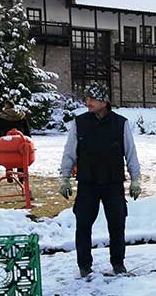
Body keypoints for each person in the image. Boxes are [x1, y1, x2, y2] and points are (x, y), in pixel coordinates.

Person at [59, 82, 141, 278]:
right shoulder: (79, 123)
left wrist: (135, 179)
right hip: (88, 182)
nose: (87, 102)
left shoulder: (121, 123)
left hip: (113, 183)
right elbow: (69, 152)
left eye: (92, 99)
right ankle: (84, 265)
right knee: (83, 224)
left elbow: (131, 153)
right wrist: (64, 177)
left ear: (104, 101)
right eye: (86, 98)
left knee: (117, 224)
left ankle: (118, 263)